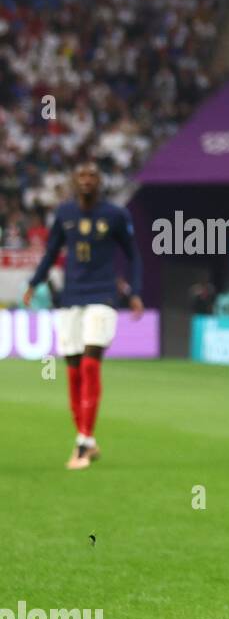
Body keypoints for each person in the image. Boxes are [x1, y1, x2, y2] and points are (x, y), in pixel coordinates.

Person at [23, 161, 143, 469]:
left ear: (100, 182)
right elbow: (51, 252)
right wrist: (34, 283)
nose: (87, 180)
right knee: (73, 370)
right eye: (82, 175)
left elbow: (134, 255)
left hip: (103, 296)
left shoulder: (115, 215)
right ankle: (85, 437)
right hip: (71, 297)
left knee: (91, 364)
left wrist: (135, 293)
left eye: (92, 175)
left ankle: (83, 442)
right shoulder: (64, 214)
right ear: (75, 182)